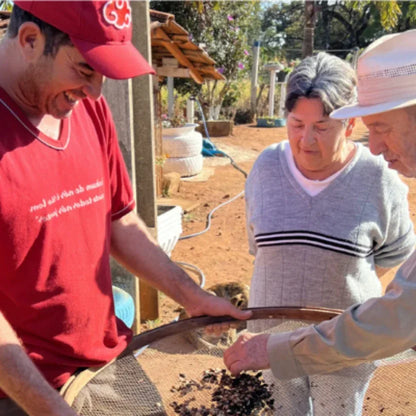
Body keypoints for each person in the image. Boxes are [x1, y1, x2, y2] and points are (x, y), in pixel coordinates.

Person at [0, 2, 250, 416]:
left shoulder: (87, 108)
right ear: (30, 40)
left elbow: (118, 219)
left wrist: (190, 294)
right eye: (84, 69)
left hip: (105, 364)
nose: (96, 93)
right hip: (17, 390)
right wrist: (48, 407)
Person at [224, 28, 416, 389]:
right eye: (296, 125)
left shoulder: (378, 179)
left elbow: (400, 303)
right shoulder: (266, 167)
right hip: (275, 340)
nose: (373, 147)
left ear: (347, 126)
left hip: (340, 353)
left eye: (383, 127)